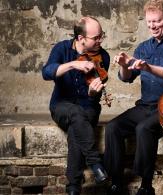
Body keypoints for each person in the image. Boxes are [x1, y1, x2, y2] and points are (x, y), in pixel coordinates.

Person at [104, 1, 163, 194]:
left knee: (144, 128)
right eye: (149, 21)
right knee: (112, 127)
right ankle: (116, 183)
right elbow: (127, 78)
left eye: (157, 21)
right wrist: (124, 64)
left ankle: (145, 186)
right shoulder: (143, 47)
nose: (152, 26)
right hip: (145, 106)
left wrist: (147, 67)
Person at [42, 16, 109, 195]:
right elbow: (47, 72)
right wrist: (73, 64)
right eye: (96, 38)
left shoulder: (103, 56)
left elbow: (94, 97)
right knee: (76, 114)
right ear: (81, 38)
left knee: (76, 128)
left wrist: (93, 94)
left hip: (89, 107)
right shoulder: (62, 49)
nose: (100, 41)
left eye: (101, 36)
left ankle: (73, 187)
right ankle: (95, 162)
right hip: (61, 105)